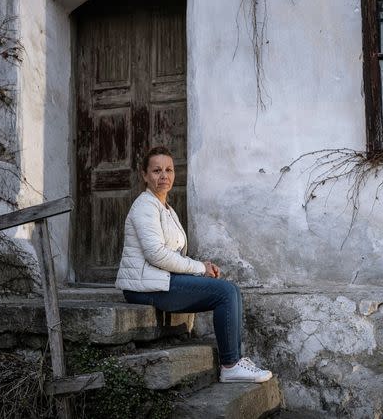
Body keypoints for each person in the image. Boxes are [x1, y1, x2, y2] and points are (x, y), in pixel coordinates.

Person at [115, 146, 273, 383]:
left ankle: (236, 361)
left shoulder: (166, 209)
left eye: (168, 170)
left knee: (231, 291)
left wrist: (202, 266)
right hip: (143, 287)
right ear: (145, 175)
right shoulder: (145, 206)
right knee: (226, 293)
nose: (163, 176)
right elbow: (156, 255)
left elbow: (171, 253)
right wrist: (199, 268)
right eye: (156, 170)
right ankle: (230, 365)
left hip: (160, 281)